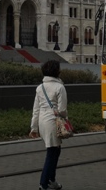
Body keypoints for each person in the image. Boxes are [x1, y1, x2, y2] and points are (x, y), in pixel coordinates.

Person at [29, 60, 67, 190]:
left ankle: (52, 180)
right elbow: (62, 110)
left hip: (42, 122)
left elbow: (36, 109)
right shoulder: (60, 87)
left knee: (55, 150)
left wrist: (34, 128)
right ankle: (43, 184)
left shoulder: (40, 88)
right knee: (52, 153)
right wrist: (65, 123)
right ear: (57, 72)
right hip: (53, 122)